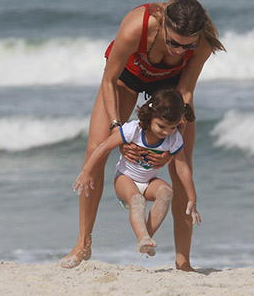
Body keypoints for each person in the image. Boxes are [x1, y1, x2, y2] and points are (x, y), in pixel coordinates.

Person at [60, 0, 225, 271]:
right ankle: (83, 243)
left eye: (187, 46)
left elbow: (185, 92)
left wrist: (171, 150)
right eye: (173, 42)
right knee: (95, 150)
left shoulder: (202, 45)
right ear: (162, 24)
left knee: (183, 166)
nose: (179, 51)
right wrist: (117, 129)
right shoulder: (137, 26)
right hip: (125, 79)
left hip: (172, 91)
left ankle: (183, 261)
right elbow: (109, 78)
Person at [72, 88, 201, 258]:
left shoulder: (174, 138)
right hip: (125, 179)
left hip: (149, 182)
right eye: (161, 126)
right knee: (138, 200)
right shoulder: (134, 130)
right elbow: (104, 147)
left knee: (167, 192)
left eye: (172, 127)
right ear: (150, 115)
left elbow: (183, 169)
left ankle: (145, 238)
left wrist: (192, 198)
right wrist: (86, 171)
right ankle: (143, 237)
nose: (166, 132)